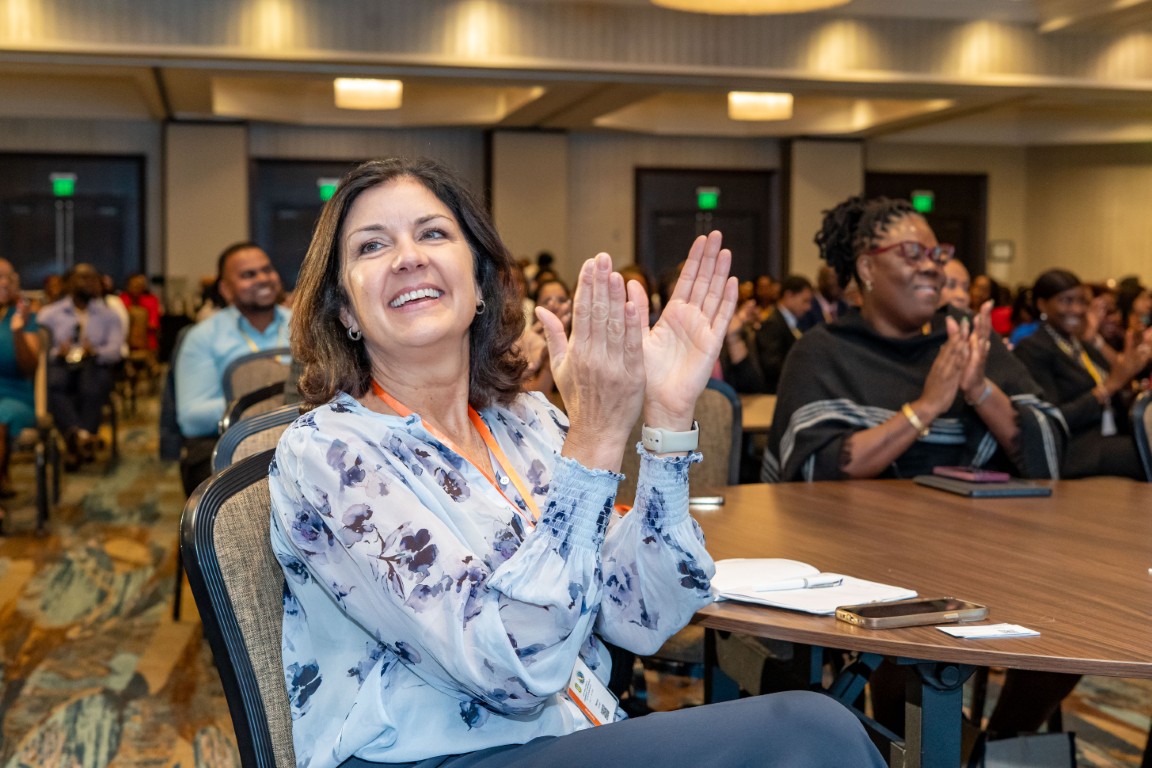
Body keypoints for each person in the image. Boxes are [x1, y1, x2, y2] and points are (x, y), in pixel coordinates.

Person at [269, 157, 885, 768]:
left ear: (480, 282)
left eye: (432, 233)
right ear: (344, 310)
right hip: (433, 757)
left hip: (570, 734)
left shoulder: (526, 422)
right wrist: (594, 438)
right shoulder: (329, 450)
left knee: (814, 730)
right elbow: (511, 670)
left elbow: (644, 612)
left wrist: (668, 418)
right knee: (810, 730)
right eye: (372, 245)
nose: (408, 257)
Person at [762, 195, 1070, 740]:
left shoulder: (965, 338)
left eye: (937, 253)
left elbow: (1045, 445)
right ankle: (929, 746)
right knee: (902, 640)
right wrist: (925, 409)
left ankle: (993, 747)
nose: (933, 266)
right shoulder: (824, 351)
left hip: (987, 550)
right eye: (913, 253)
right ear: (866, 267)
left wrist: (979, 389)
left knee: (1070, 620)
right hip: (862, 557)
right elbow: (813, 470)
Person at [1012, 269, 1151, 480]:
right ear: (1042, 304)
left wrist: (1124, 386)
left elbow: (1117, 391)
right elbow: (1051, 419)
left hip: (1107, 437)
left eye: (1081, 301)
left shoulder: (1082, 347)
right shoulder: (1033, 349)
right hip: (1074, 449)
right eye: (1066, 301)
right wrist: (1108, 387)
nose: (1077, 309)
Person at [174, 242, 289, 495]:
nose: (263, 279)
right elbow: (192, 419)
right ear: (226, 289)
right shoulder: (203, 337)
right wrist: (257, 402)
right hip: (228, 441)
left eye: (267, 270)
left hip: (301, 434)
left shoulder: (304, 324)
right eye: (249, 275)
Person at [38, 263, 125, 469]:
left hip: (94, 365)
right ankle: (83, 438)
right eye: (83, 277)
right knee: (53, 384)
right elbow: (40, 350)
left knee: (92, 385)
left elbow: (115, 351)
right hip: (62, 365)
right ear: (69, 283)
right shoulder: (50, 314)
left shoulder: (109, 315)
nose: (89, 283)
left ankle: (74, 443)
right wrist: (57, 352)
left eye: (93, 278)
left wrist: (95, 351)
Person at [0, 259, 41, 502]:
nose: (4, 282)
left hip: (16, 396)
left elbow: (29, 368)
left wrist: (17, 332)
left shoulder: (24, 317)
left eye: (9, 277)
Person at [757, 274, 813, 394]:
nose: (808, 307)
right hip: (776, 391)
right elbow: (772, 365)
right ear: (789, 295)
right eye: (805, 301)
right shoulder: (773, 323)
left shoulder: (791, 321)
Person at [797, 264, 849, 330]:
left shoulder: (845, 308)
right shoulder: (808, 307)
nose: (837, 282)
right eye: (832, 277)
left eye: (840, 278)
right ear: (821, 281)